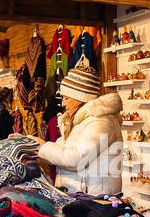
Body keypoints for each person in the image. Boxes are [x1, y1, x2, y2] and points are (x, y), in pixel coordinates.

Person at [36, 59, 123, 194]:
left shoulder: (102, 122)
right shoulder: (78, 121)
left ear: (81, 98)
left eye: (67, 98)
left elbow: (76, 159)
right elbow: (62, 151)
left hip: (94, 202)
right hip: (80, 198)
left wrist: (42, 147)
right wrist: (31, 146)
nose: (63, 104)